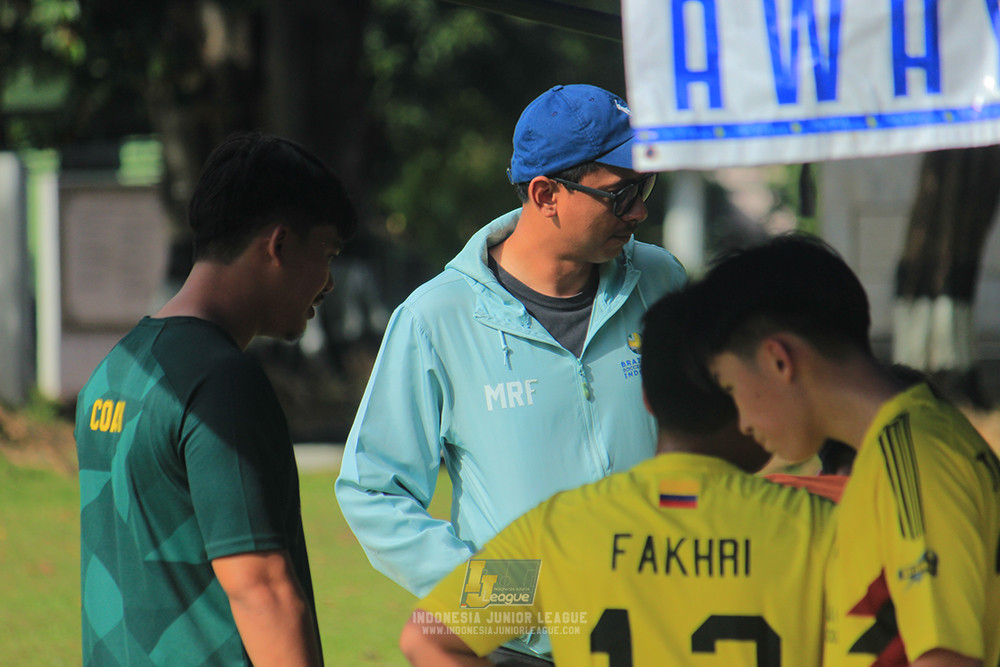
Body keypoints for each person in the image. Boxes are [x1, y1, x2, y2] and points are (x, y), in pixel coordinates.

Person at [336, 83, 686, 664]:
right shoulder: (435, 317)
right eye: (622, 193)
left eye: (645, 187)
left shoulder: (662, 279)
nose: (641, 210)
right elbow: (374, 490)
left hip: (666, 638)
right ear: (546, 193)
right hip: (527, 653)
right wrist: (506, 601)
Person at [399, 287, 836, 666]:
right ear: (746, 397)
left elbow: (428, 638)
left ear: (646, 397)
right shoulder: (814, 526)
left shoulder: (557, 533)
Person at [75, 131, 357, 666]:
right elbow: (261, 589)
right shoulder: (222, 383)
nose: (329, 283)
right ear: (278, 245)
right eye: (327, 254)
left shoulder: (113, 372)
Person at [685, 232, 1000, 667]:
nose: (742, 422)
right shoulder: (891, 450)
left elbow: (945, 657)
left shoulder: (914, 457)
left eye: (732, 387)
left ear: (779, 360)